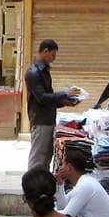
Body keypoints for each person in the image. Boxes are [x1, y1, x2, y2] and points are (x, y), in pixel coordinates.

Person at [25, 39, 77, 171]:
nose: (54, 59)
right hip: (41, 121)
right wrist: (64, 94)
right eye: (53, 55)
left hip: (48, 120)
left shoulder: (43, 71)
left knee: (45, 158)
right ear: (45, 51)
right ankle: (32, 186)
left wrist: (63, 102)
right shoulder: (33, 73)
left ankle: (41, 185)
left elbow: (49, 97)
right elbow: (42, 97)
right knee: (38, 159)